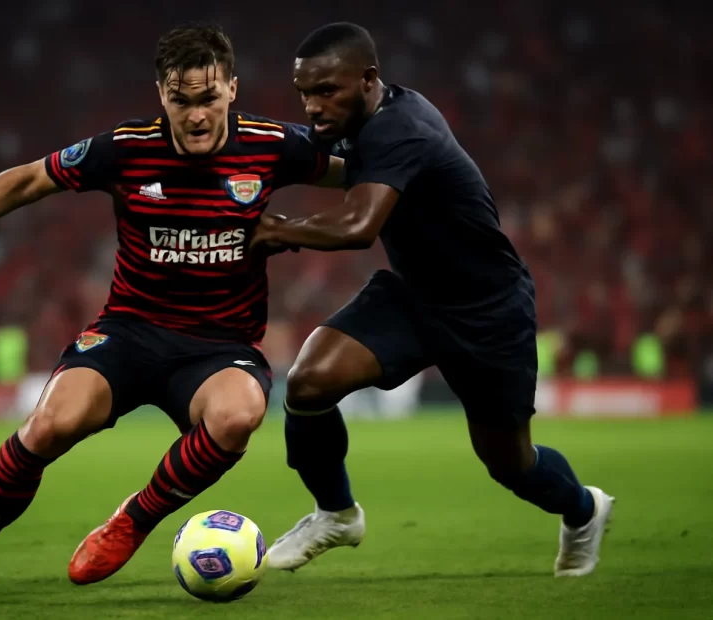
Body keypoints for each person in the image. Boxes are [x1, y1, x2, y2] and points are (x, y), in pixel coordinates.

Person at [0, 22, 340, 603]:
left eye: (207, 98)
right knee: (48, 424)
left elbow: (366, 172)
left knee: (238, 415)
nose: (196, 115)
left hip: (220, 347)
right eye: (181, 100)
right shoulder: (126, 149)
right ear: (161, 95)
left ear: (231, 89)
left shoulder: (273, 144)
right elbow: (26, 182)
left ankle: (133, 519)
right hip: (127, 333)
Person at [251, 22, 613, 577]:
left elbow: (359, 224)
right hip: (415, 300)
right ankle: (336, 513)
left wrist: (276, 230)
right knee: (308, 383)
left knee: (510, 463)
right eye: (305, 92)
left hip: (488, 310)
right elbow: (305, 154)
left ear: (368, 79)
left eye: (326, 90)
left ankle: (584, 509)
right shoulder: (353, 120)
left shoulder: (403, 127)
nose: (313, 106)